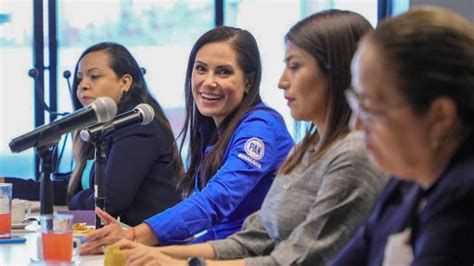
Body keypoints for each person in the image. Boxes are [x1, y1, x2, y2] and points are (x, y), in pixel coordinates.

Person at [108, 10, 387, 265]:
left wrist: (160, 249)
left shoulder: (269, 131)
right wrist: (149, 250)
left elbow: (293, 257)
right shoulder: (308, 148)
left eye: (295, 66)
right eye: (201, 68)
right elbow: (255, 237)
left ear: (336, 73)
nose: (282, 81)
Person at [80, 26, 294, 253]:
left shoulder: (259, 129)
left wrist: (135, 235)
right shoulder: (211, 128)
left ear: (248, 82)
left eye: (223, 72)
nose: (208, 81)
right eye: (201, 69)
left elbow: (216, 201)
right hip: (222, 249)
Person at [329, 6, 474, 265]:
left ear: (440, 116)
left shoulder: (463, 199)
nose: (356, 125)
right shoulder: (408, 181)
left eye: (369, 108)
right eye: (355, 103)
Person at [68, 42, 183, 226]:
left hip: (154, 246)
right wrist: (8, 182)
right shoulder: (101, 127)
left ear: (125, 82)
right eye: (79, 79)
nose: (83, 85)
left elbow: (110, 201)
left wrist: (75, 200)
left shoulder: (138, 124)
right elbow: (74, 187)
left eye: (94, 76)